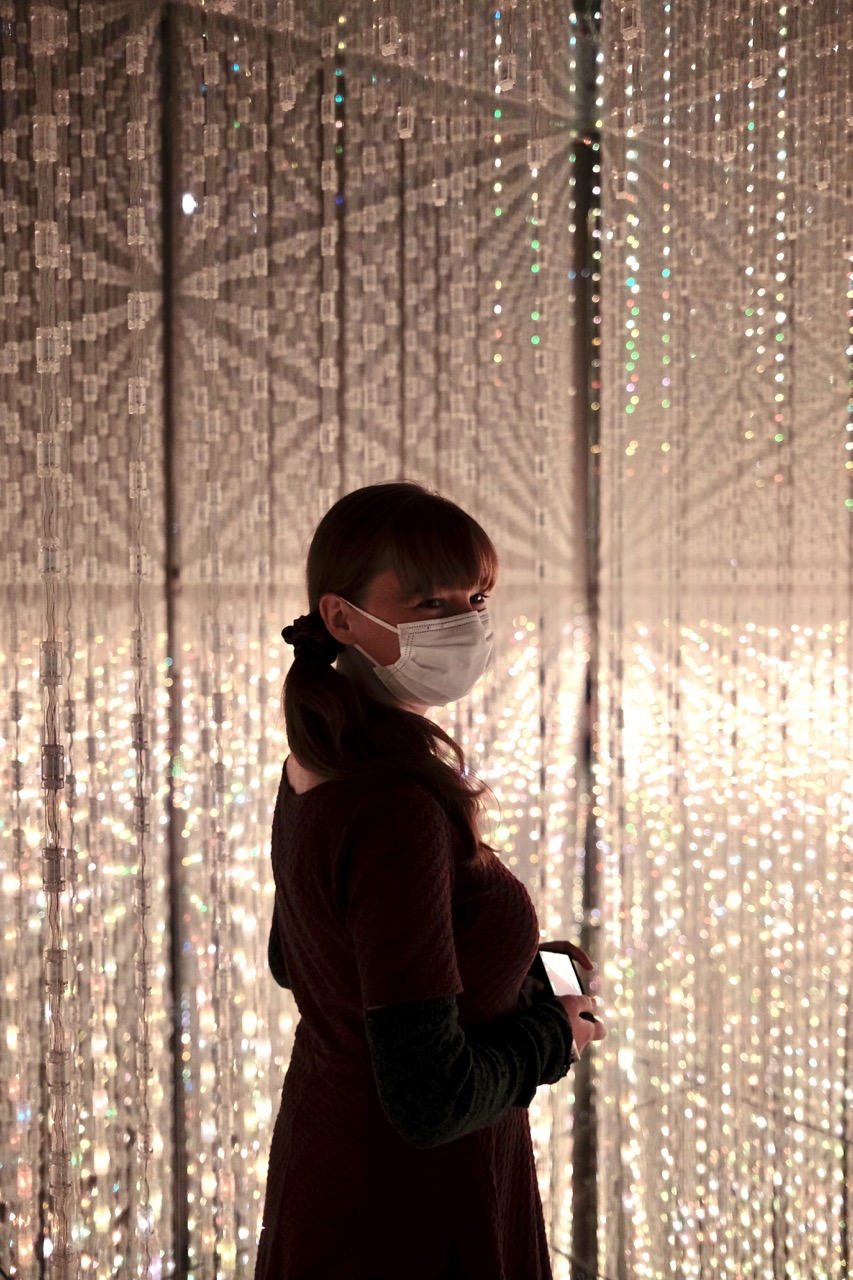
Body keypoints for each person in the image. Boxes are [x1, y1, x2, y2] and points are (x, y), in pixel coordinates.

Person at [256, 481, 606, 1280]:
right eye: (430, 603)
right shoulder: (393, 803)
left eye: (475, 598)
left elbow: (301, 958)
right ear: (342, 617)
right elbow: (429, 1100)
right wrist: (555, 1034)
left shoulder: (316, 762)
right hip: (409, 1208)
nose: (466, 623)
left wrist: (501, 974)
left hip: (333, 1163)